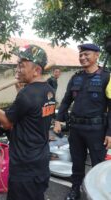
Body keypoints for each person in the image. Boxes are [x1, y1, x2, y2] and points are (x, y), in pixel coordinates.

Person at [0, 44, 56, 200]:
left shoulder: (27, 94)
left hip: (24, 163)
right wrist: (20, 91)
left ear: (37, 70)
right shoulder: (48, 90)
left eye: (22, 66)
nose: (17, 69)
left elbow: (7, 123)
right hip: (40, 160)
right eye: (17, 65)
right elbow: (31, 112)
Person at [54, 43, 111, 200]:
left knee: (98, 165)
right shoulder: (76, 77)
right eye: (81, 55)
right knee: (77, 163)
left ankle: (98, 194)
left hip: (97, 130)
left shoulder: (107, 77)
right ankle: (75, 190)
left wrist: (110, 133)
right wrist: (58, 120)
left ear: (97, 55)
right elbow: (66, 101)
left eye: (87, 54)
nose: (83, 57)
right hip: (76, 129)